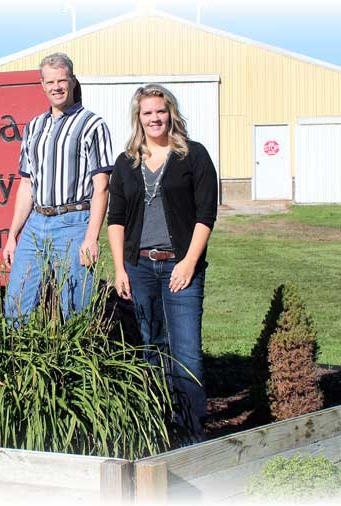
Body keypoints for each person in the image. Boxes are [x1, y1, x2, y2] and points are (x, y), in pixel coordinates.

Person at [107, 84, 218, 445]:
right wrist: (121, 268)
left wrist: (188, 263)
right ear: (138, 118)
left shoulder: (194, 156)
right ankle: (156, 430)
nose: (154, 118)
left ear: (171, 113)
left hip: (180, 267)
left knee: (185, 352)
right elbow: (117, 219)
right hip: (139, 269)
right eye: (147, 113)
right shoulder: (127, 162)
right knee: (149, 350)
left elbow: (205, 215)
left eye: (160, 111)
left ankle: (190, 436)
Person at [2, 53, 113, 319]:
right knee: (16, 305)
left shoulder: (92, 125)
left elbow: (102, 187)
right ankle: (21, 358)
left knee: (75, 307)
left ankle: (76, 359)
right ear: (42, 85)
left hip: (74, 222)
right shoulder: (34, 127)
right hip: (36, 223)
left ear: (72, 82)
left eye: (62, 80)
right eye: (50, 82)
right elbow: (27, 185)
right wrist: (12, 236)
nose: (57, 87)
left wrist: (91, 236)